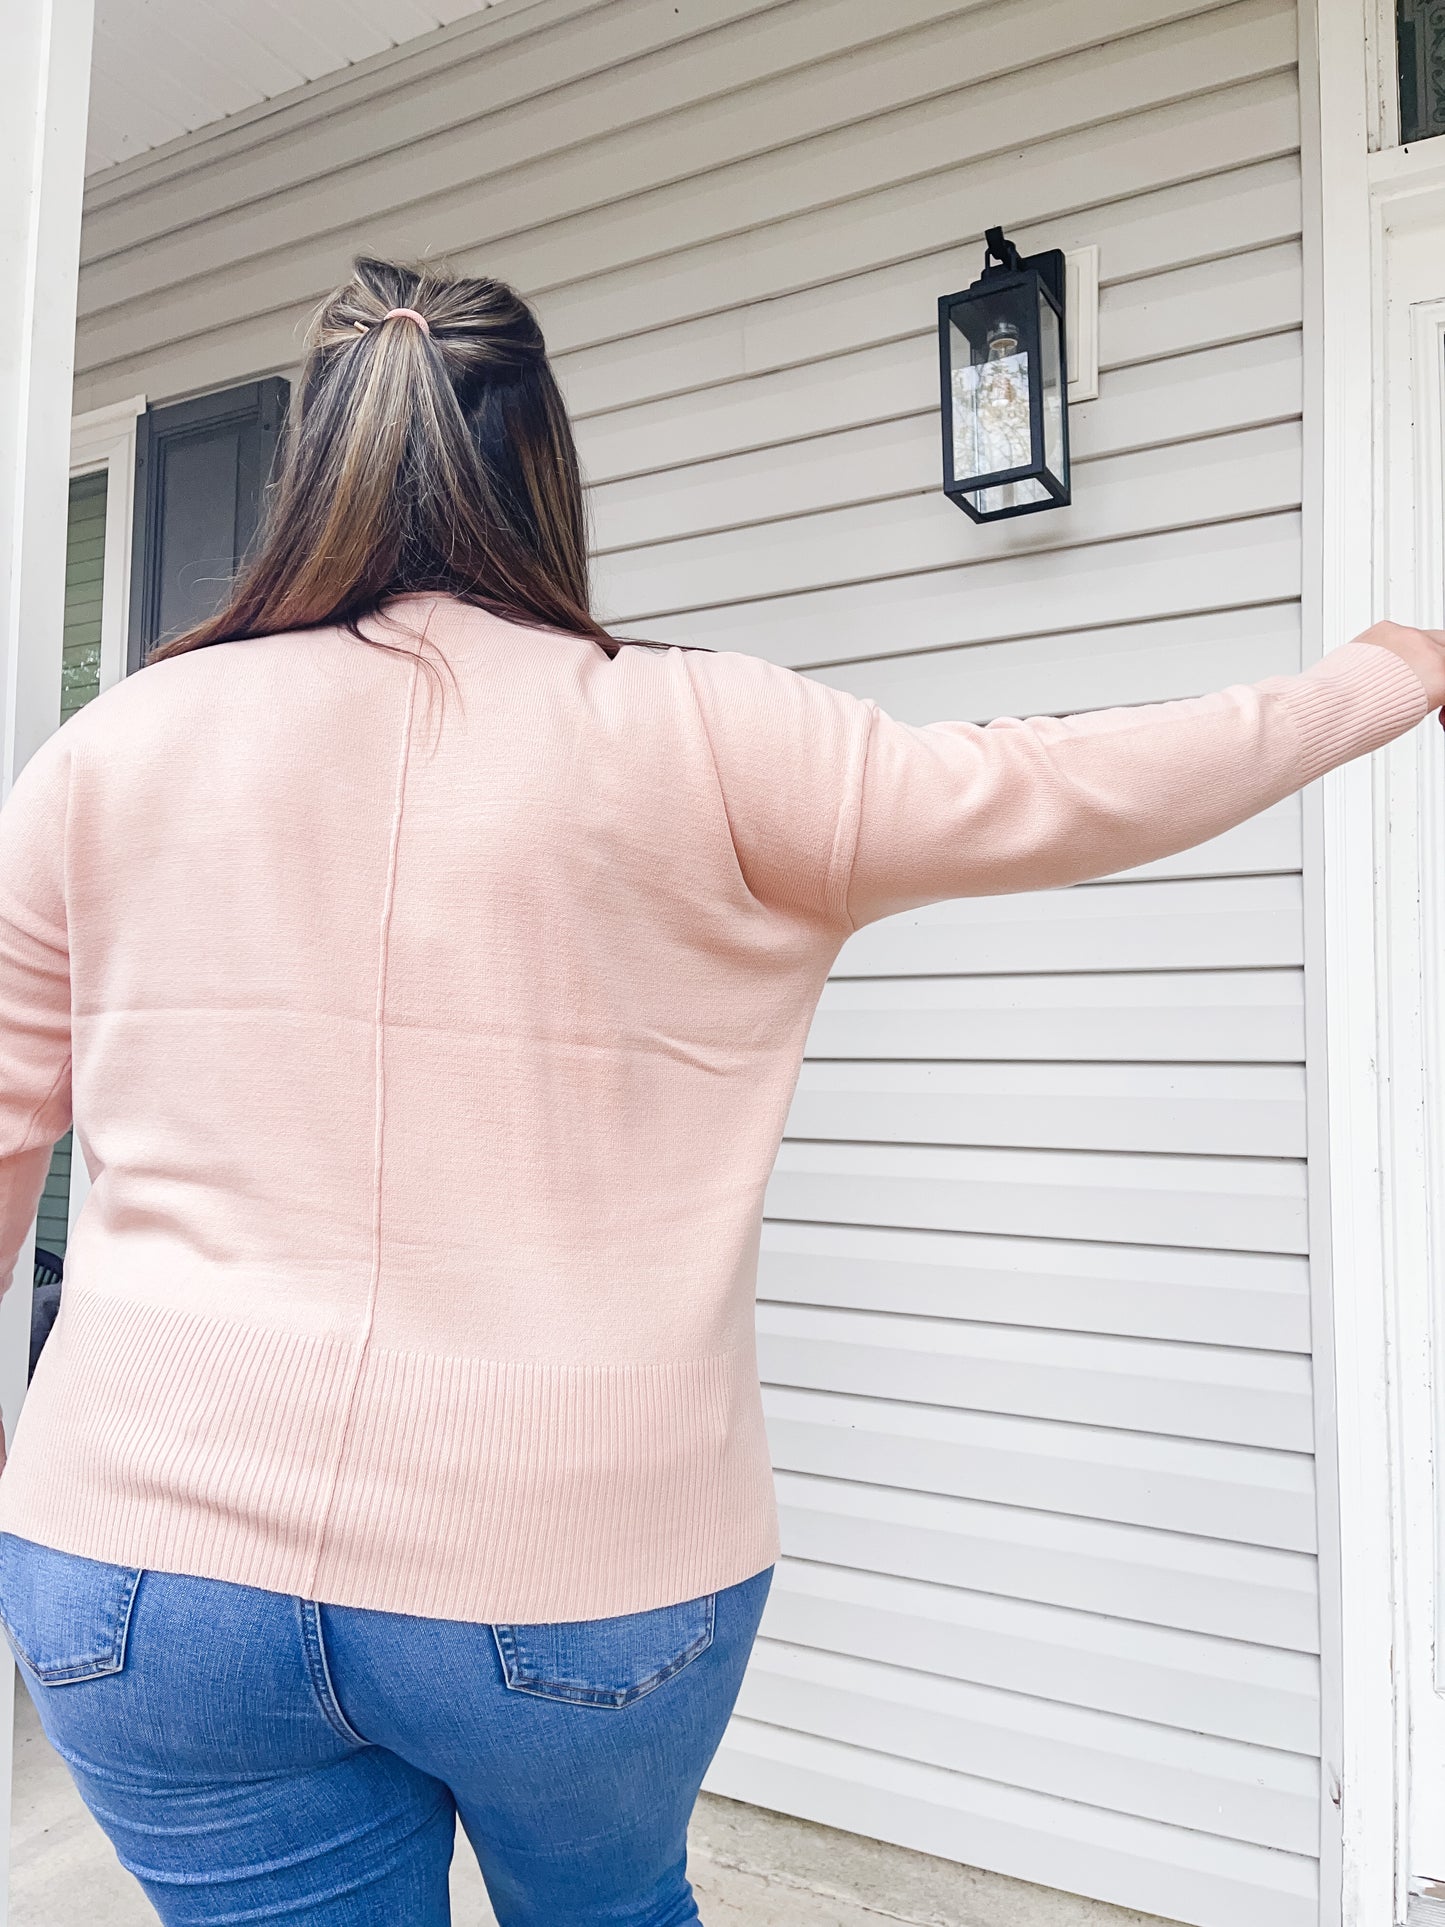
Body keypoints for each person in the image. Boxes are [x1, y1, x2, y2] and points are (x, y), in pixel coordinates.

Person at [0, 256, 1437, 1927]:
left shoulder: (113, 748)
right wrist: (1376, 676)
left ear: (306, 460)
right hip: (570, 1563)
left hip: (142, 1571)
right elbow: (1067, 787)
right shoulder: (703, 732)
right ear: (543, 464)